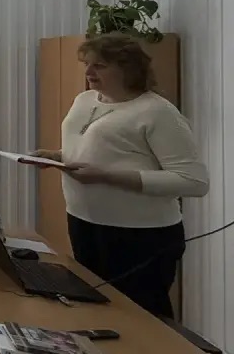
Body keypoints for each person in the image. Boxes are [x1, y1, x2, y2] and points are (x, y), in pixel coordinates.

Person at [31, 34, 208, 318]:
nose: (89, 72)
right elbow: (103, 150)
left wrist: (106, 176)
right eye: (87, 64)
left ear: (129, 68)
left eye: (99, 66)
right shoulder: (85, 100)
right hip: (84, 222)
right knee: (97, 310)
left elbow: (194, 181)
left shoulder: (157, 112)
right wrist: (57, 156)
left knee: (141, 319)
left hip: (139, 236)